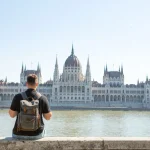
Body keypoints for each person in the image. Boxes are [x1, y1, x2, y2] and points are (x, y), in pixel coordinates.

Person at [9, 74, 52, 140]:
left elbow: (12, 115)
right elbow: (48, 117)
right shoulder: (42, 98)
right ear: (37, 84)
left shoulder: (17, 97)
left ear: (26, 83)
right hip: (36, 135)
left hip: (18, 134)